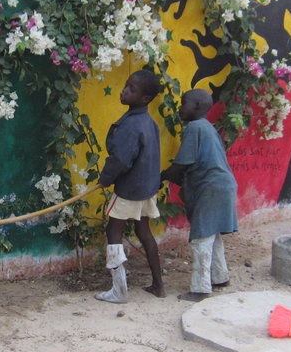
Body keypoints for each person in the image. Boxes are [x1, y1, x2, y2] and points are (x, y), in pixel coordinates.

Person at [95, 69, 165, 303]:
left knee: (113, 231)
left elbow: (121, 160)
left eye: (131, 89)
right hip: (146, 188)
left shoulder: (131, 126)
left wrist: (105, 179)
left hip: (129, 190)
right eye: (126, 85)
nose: (124, 91)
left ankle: (118, 290)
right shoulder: (148, 122)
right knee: (143, 231)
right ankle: (158, 285)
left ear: (145, 99)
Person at [161, 89, 238, 302]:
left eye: (183, 103)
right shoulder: (208, 128)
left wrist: (162, 176)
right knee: (213, 235)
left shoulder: (193, 128)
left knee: (201, 238)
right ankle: (220, 276)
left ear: (196, 106)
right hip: (224, 185)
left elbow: (182, 165)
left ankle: (201, 288)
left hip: (210, 187)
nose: (179, 108)